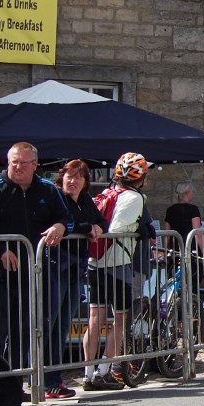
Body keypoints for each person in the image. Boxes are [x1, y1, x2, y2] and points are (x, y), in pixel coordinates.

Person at [0, 142, 72, 403]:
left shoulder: (47, 189)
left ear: (35, 164)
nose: (18, 167)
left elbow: (67, 218)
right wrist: (1, 248)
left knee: (22, 330)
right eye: (13, 161)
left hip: (30, 273)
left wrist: (60, 226)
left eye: (24, 162)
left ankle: (13, 385)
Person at [83, 152, 148, 390]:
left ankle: (88, 373)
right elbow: (118, 228)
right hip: (117, 263)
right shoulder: (134, 197)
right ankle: (103, 371)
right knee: (120, 320)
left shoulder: (108, 193)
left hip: (95, 262)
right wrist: (138, 228)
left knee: (94, 319)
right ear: (141, 177)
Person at [42, 160, 107, 399]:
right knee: (49, 325)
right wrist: (85, 226)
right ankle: (45, 380)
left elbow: (100, 221)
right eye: (70, 176)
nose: (73, 181)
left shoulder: (86, 200)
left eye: (78, 177)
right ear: (62, 177)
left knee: (62, 326)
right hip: (54, 267)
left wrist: (97, 227)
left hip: (75, 269)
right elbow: (63, 222)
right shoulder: (54, 195)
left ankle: (53, 381)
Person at [163, 181, 202, 251]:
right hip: (190, 247)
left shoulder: (170, 210)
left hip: (175, 248)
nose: (192, 194)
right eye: (191, 192)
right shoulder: (193, 209)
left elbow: (167, 234)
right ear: (187, 193)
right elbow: (197, 233)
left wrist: (166, 250)